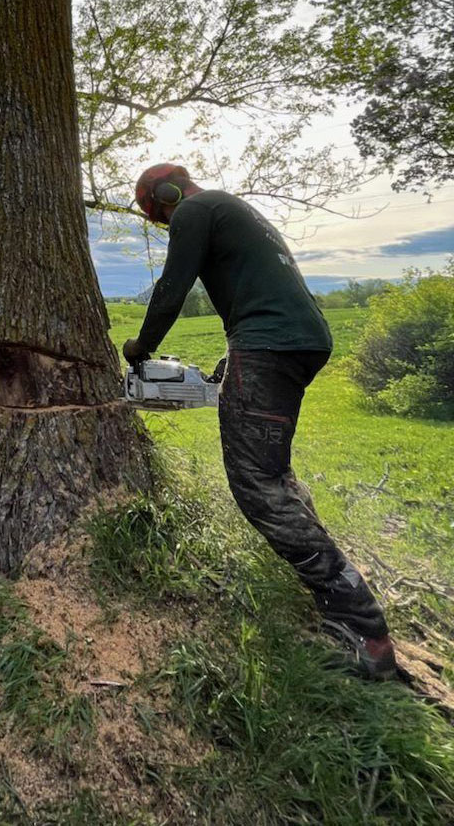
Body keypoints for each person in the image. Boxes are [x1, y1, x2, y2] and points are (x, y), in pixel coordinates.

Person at [124, 163, 396, 679]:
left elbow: (172, 286)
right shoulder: (236, 208)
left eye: (159, 215)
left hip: (269, 342)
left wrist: (141, 347)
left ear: (166, 193)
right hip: (302, 338)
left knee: (257, 485)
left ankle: (366, 631)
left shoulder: (194, 209)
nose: (164, 223)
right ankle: (338, 594)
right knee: (276, 473)